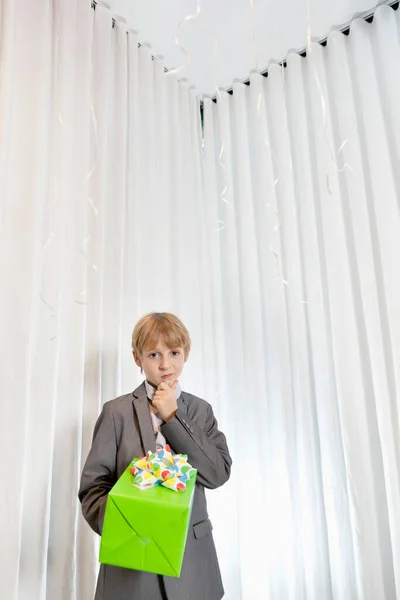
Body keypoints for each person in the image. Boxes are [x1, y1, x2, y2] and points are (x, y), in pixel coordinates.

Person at [79, 312, 232, 600]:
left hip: (193, 566)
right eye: (153, 354)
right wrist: (128, 526)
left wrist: (173, 417)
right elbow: (92, 489)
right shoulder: (116, 413)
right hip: (130, 569)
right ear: (137, 359)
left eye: (174, 352)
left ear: (186, 352)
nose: (165, 364)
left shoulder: (201, 411)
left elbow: (217, 473)